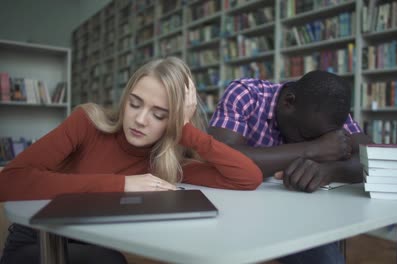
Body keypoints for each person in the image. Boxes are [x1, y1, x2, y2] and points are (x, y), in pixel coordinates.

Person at [0, 57, 262, 264]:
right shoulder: (86, 122)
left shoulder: (167, 164)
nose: (140, 120)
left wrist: (185, 130)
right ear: (125, 99)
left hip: (93, 244)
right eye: (135, 104)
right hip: (40, 243)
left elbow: (247, 177)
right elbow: (8, 182)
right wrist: (122, 184)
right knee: (108, 260)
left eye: (159, 115)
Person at [208, 70, 372, 264]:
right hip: (233, 209)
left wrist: (329, 171)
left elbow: (371, 157)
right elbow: (221, 158)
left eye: (318, 137)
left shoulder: (326, 109)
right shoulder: (246, 94)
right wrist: (313, 148)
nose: (312, 140)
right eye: (305, 134)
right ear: (288, 102)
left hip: (295, 215)